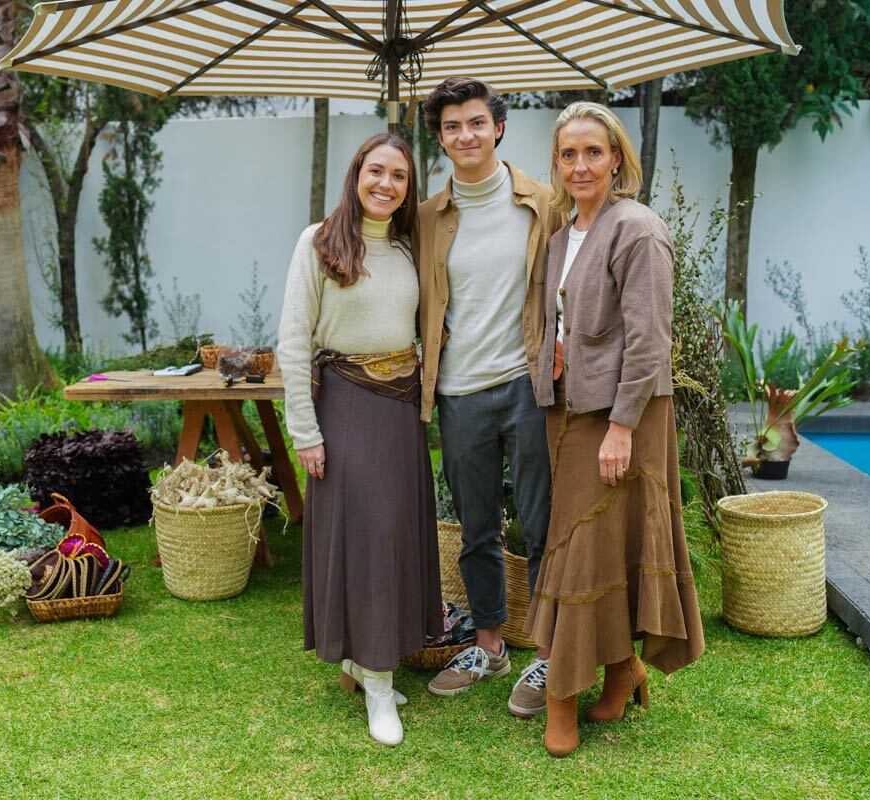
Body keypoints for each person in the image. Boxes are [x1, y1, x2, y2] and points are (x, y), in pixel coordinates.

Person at [525, 102, 705, 757]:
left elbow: (650, 340)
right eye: (568, 154)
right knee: (598, 545)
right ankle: (622, 673)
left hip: (624, 413)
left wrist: (622, 429)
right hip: (571, 410)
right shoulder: (560, 236)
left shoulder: (639, 229)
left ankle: (562, 698)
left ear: (618, 160)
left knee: (577, 548)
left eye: (592, 152)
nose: (579, 165)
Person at [276, 132, 442, 747]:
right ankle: (376, 685)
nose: (387, 184)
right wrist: (306, 433)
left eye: (399, 176)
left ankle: (365, 657)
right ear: (356, 175)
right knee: (367, 541)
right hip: (344, 405)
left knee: (395, 536)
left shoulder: (406, 249)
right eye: (377, 171)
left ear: (407, 189)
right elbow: (293, 342)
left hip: (401, 412)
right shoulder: (317, 242)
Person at [416, 77, 564, 716]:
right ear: (441, 137)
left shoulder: (544, 202)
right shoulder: (425, 217)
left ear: (498, 126)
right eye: (452, 127)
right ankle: (489, 644)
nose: (465, 135)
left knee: (543, 524)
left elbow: (574, 276)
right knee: (476, 528)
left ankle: (551, 652)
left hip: (529, 386)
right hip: (458, 391)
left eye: (475, 122)